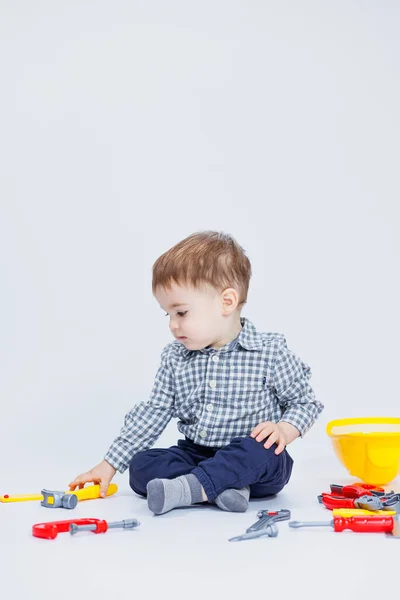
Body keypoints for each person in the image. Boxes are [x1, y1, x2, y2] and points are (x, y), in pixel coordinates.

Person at [69, 231, 324, 515]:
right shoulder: (175, 358)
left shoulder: (270, 352)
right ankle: (222, 488)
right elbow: (155, 411)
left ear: (227, 302)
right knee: (141, 466)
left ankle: (190, 489)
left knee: (260, 453)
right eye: (168, 315)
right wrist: (109, 465)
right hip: (196, 453)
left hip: (255, 459)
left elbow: (305, 402)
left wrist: (283, 430)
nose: (173, 325)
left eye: (181, 313)